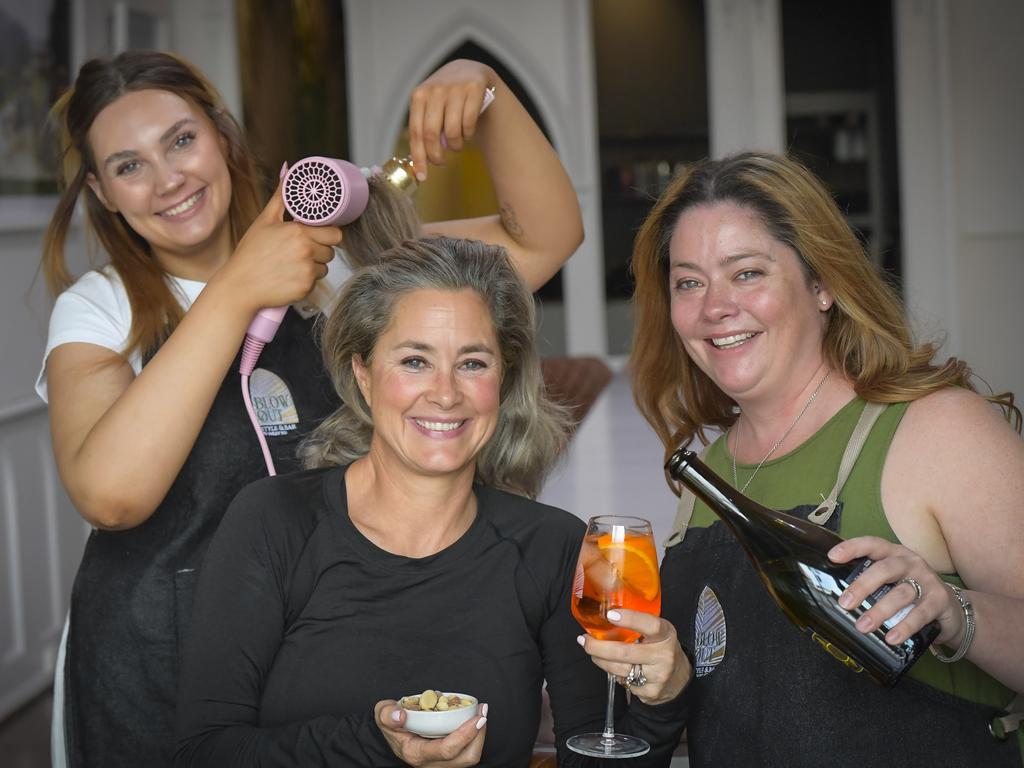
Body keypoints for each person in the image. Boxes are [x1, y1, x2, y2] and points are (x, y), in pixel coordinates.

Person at [38, 50, 583, 768]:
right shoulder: (98, 310)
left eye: (181, 139)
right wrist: (238, 288)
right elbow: (111, 495)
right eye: (128, 165)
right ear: (105, 195)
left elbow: (547, 236)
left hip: (331, 646)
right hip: (156, 658)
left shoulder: (340, 270)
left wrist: (486, 89)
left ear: (222, 136)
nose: (168, 178)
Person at [173, 236, 691, 767]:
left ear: (503, 381)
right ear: (363, 374)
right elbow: (204, 751)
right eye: (415, 361)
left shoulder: (553, 546)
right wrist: (376, 743)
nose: (445, 394)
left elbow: (595, 758)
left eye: (472, 363)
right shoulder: (274, 520)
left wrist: (665, 697)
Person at [625, 150, 1024, 766]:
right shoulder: (705, 479)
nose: (714, 307)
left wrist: (953, 612)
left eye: (747, 272)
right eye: (688, 282)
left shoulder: (937, 429)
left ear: (823, 284)